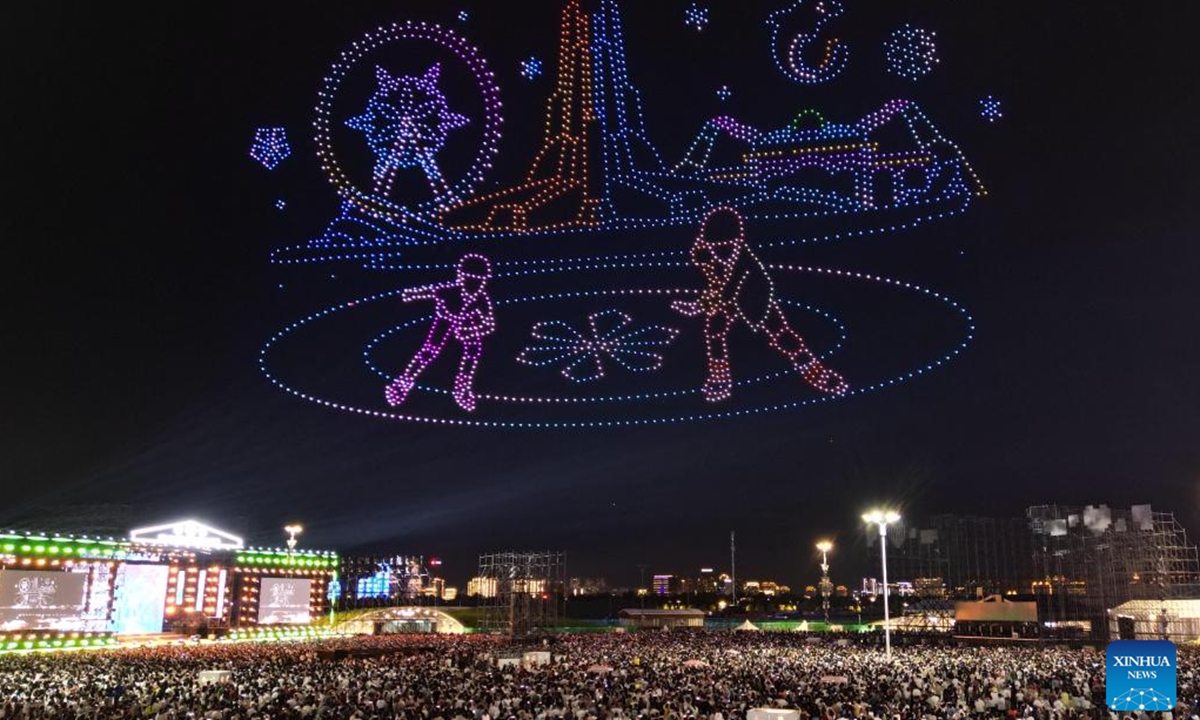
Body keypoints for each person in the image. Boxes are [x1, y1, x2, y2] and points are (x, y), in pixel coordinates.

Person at [672, 207, 848, 401]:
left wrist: (699, 306)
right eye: (716, 246)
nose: (721, 251)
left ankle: (818, 374)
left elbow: (728, 290)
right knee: (715, 332)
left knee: (781, 335)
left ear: (737, 242)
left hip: (754, 297)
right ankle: (720, 380)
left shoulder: (745, 264)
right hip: (727, 299)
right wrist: (707, 295)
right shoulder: (706, 254)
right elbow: (717, 284)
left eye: (727, 246)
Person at [385, 254, 495, 412]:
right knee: (429, 351)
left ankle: (462, 388)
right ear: (462, 277)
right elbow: (425, 292)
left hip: (467, 323)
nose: (475, 285)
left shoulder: (482, 299)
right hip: (446, 319)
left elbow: (489, 325)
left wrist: (469, 331)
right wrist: (408, 294)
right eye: (471, 280)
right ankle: (403, 384)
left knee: (473, 350)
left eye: (479, 281)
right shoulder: (448, 292)